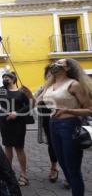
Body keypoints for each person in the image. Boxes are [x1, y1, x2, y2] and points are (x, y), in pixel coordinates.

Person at [41, 58, 92, 196]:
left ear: (68, 68)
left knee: (72, 167)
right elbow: (38, 103)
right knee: (63, 164)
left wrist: (68, 111)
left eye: (59, 63)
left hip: (70, 125)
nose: (54, 65)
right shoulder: (50, 86)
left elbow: (89, 109)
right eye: (54, 63)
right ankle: (75, 188)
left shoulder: (74, 84)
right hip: (53, 124)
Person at [35, 65, 59, 183]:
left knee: (66, 146)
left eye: (52, 74)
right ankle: (54, 167)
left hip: (62, 120)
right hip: (47, 122)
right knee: (52, 145)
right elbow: (35, 102)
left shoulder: (63, 88)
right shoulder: (42, 89)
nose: (49, 76)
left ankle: (70, 171)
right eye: (48, 74)